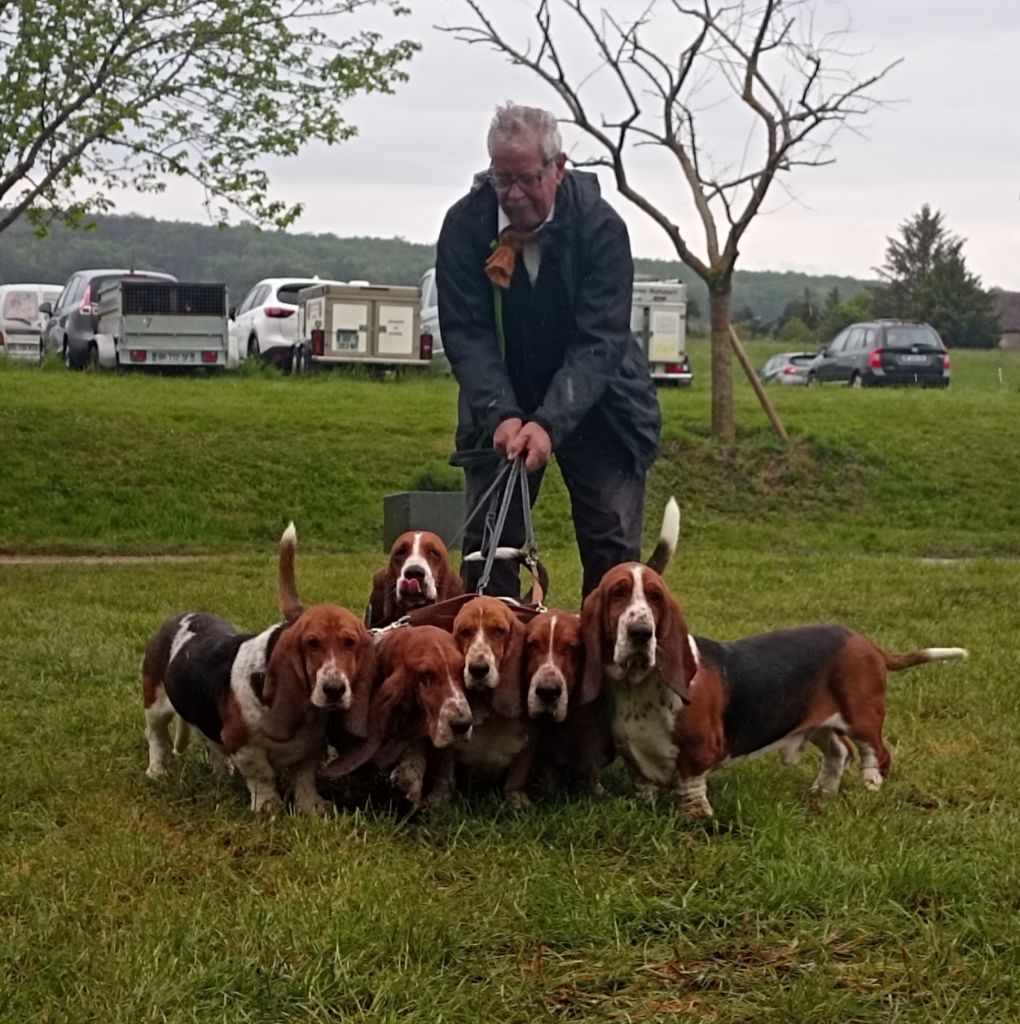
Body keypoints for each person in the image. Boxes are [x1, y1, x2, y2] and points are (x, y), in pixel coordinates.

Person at [436, 102, 661, 600]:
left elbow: (599, 339)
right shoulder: (463, 227)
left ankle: (607, 673)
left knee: (612, 559)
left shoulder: (602, 229)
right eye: (501, 179)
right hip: (500, 408)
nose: (513, 195)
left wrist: (550, 422)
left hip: (603, 402)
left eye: (527, 179)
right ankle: (491, 671)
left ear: (558, 169)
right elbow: (466, 331)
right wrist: (501, 413)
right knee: (489, 552)